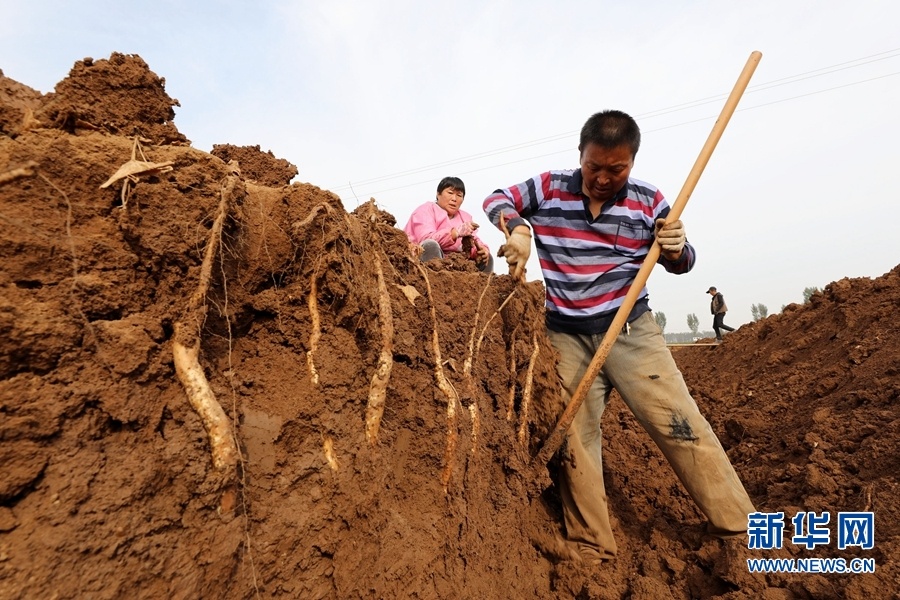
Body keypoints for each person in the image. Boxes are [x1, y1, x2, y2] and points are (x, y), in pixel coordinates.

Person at [483, 110, 755, 562]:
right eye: (594, 167)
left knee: (680, 424)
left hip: (631, 332)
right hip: (566, 336)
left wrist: (675, 244)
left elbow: (683, 261)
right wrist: (519, 228)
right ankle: (591, 543)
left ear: (632, 162)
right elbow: (496, 198)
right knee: (574, 436)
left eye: (616, 169)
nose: (604, 178)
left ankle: (739, 529)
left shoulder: (648, 200)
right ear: (580, 156)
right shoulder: (551, 186)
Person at [403, 176, 493, 273]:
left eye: (459, 195)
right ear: (438, 194)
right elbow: (426, 239)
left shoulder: (465, 218)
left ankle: (482, 286)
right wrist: (455, 233)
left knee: (487, 258)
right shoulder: (424, 210)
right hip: (421, 262)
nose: (454, 199)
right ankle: (434, 281)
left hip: (455, 266)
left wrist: (481, 250)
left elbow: (475, 240)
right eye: (450, 193)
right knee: (430, 245)